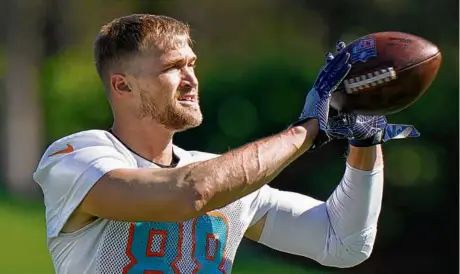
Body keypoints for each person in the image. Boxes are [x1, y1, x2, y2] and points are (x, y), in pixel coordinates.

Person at [33, 14, 419, 274]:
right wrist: (305, 130)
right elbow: (189, 194)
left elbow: (344, 243)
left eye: (192, 64)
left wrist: (364, 141)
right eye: (172, 67)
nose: (191, 79)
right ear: (122, 85)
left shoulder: (223, 176)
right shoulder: (76, 156)